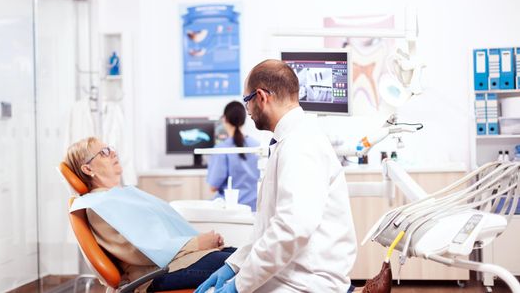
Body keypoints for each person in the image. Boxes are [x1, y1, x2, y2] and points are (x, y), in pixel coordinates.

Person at [196, 60, 358, 293]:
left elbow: (291, 229)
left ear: (261, 97)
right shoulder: (289, 141)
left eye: (247, 101)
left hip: (306, 284)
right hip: (290, 276)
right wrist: (233, 265)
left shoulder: (299, 145)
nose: (248, 111)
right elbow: (268, 227)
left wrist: (239, 286)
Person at [65, 137, 236, 292]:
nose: (113, 153)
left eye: (110, 148)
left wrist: (201, 243)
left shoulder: (118, 196)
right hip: (157, 273)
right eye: (104, 153)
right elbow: (142, 250)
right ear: (88, 169)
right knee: (245, 265)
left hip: (178, 261)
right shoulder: (99, 207)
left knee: (243, 256)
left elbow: (157, 234)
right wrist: (197, 243)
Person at [207, 101, 260, 210]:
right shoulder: (257, 146)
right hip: (253, 208)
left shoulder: (221, 150)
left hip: (229, 209)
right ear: (244, 120)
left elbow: (213, 187)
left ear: (224, 119)